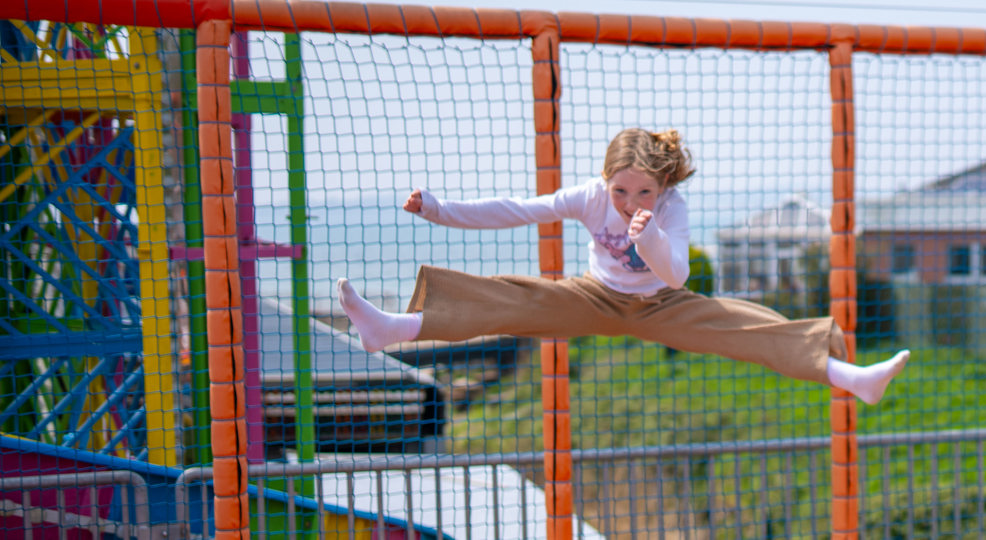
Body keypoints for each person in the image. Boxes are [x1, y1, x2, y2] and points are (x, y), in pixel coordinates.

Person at [336, 128, 909, 405]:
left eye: (644, 192)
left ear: (663, 187)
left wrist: (651, 232)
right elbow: (516, 209)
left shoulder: (671, 209)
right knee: (517, 297)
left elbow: (677, 275)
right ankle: (393, 327)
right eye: (620, 190)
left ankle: (851, 378)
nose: (631, 201)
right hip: (595, 296)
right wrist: (440, 210)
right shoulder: (589, 197)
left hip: (662, 305)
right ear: (605, 181)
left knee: (744, 321)